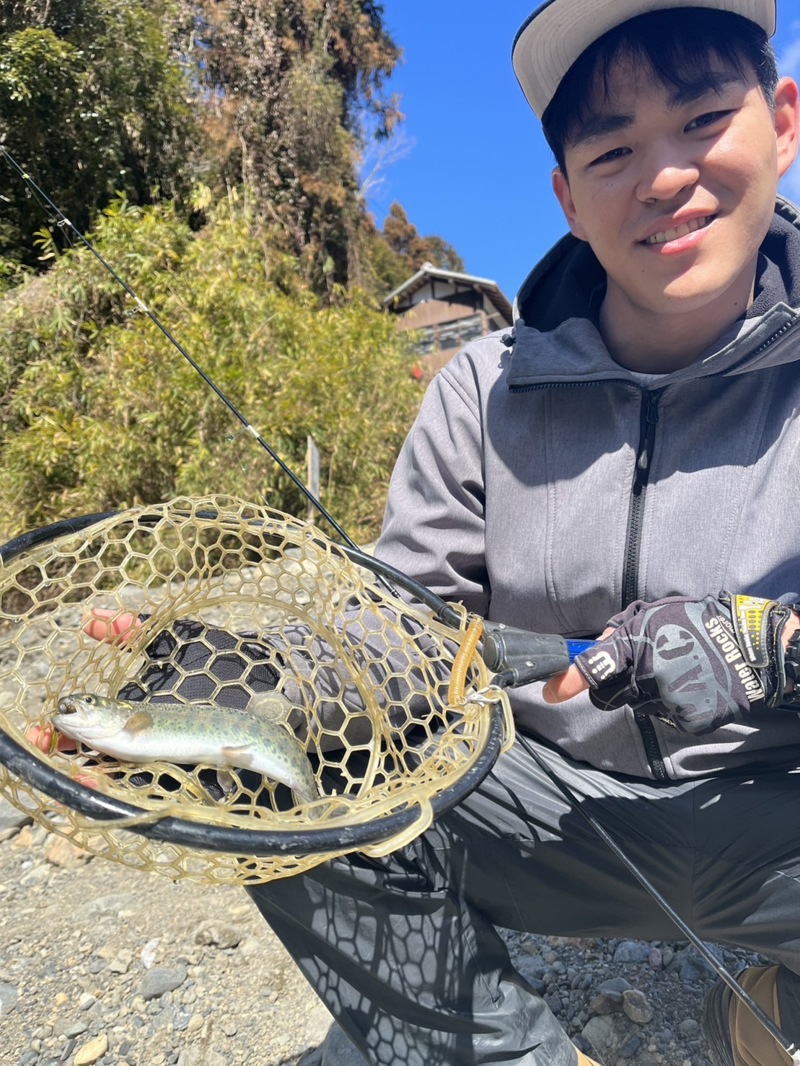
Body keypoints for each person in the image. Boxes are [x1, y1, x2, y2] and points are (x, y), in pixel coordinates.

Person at [39, 1, 800, 1063]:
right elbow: (396, 632)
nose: (664, 175)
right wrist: (269, 680)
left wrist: (775, 650)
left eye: (702, 118)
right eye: (613, 147)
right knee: (278, 785)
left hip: (770, 825)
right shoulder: (476, 392)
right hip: (537, 814)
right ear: (566, 198)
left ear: (782, 119)